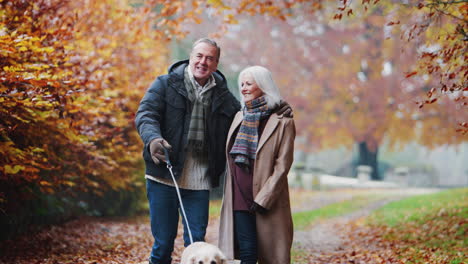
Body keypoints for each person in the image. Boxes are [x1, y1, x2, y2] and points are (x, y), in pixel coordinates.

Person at [135, 38, 291, 264]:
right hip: (163, 176)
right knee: (163, 243)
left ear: (216, 64)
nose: (203, 62)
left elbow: (251, 116)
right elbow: (145, 114)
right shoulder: (164, 84)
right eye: (199, 56)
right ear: (191, 56)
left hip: (199, 181)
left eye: (210, 58)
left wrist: (279, 108)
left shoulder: (224, 97)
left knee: (197, 244)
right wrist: (153, 139)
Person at [218, 66, 296, 264]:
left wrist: (265, 198)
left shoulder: (283, 121)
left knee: (271, 255)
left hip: (266, 198)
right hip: (239, 196)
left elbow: (283, 165)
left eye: (249, 83)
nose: (243, 88)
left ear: (263, 85)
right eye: (241, 84)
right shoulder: (239, 116)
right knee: (247, 252)